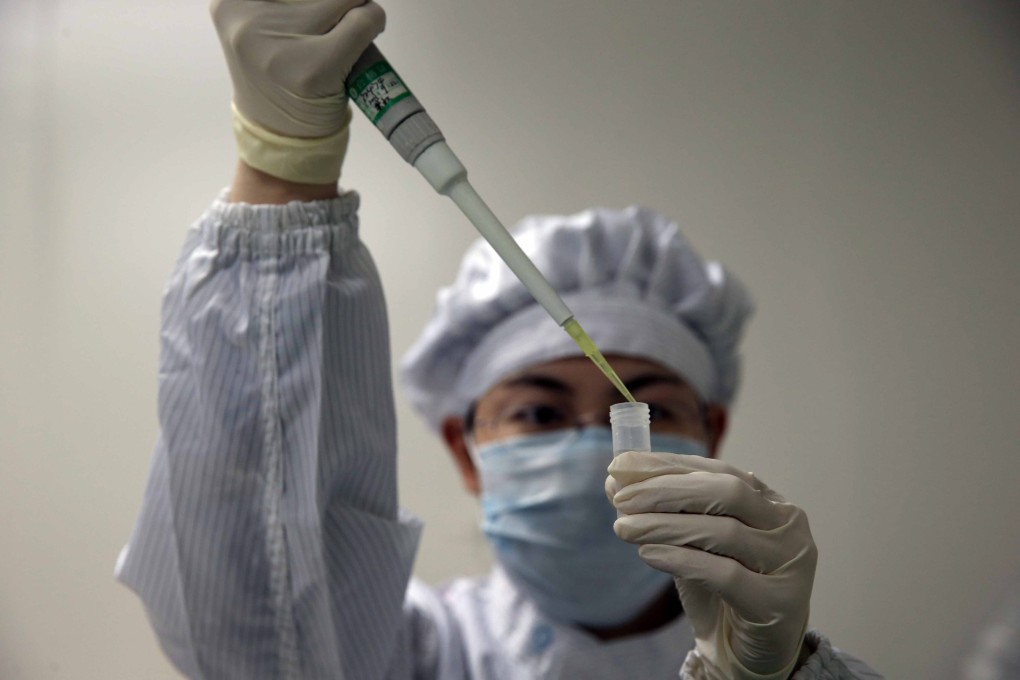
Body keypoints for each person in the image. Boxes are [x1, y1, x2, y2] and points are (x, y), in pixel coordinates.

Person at [115, 1, 882, 678]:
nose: (596, 449)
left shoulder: (770, 655)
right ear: (464, 447)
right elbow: (260, 619)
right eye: (540, 415)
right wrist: (282, 160)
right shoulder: (402, 657)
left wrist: (777, 679)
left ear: (711, 434)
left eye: (642, 407)